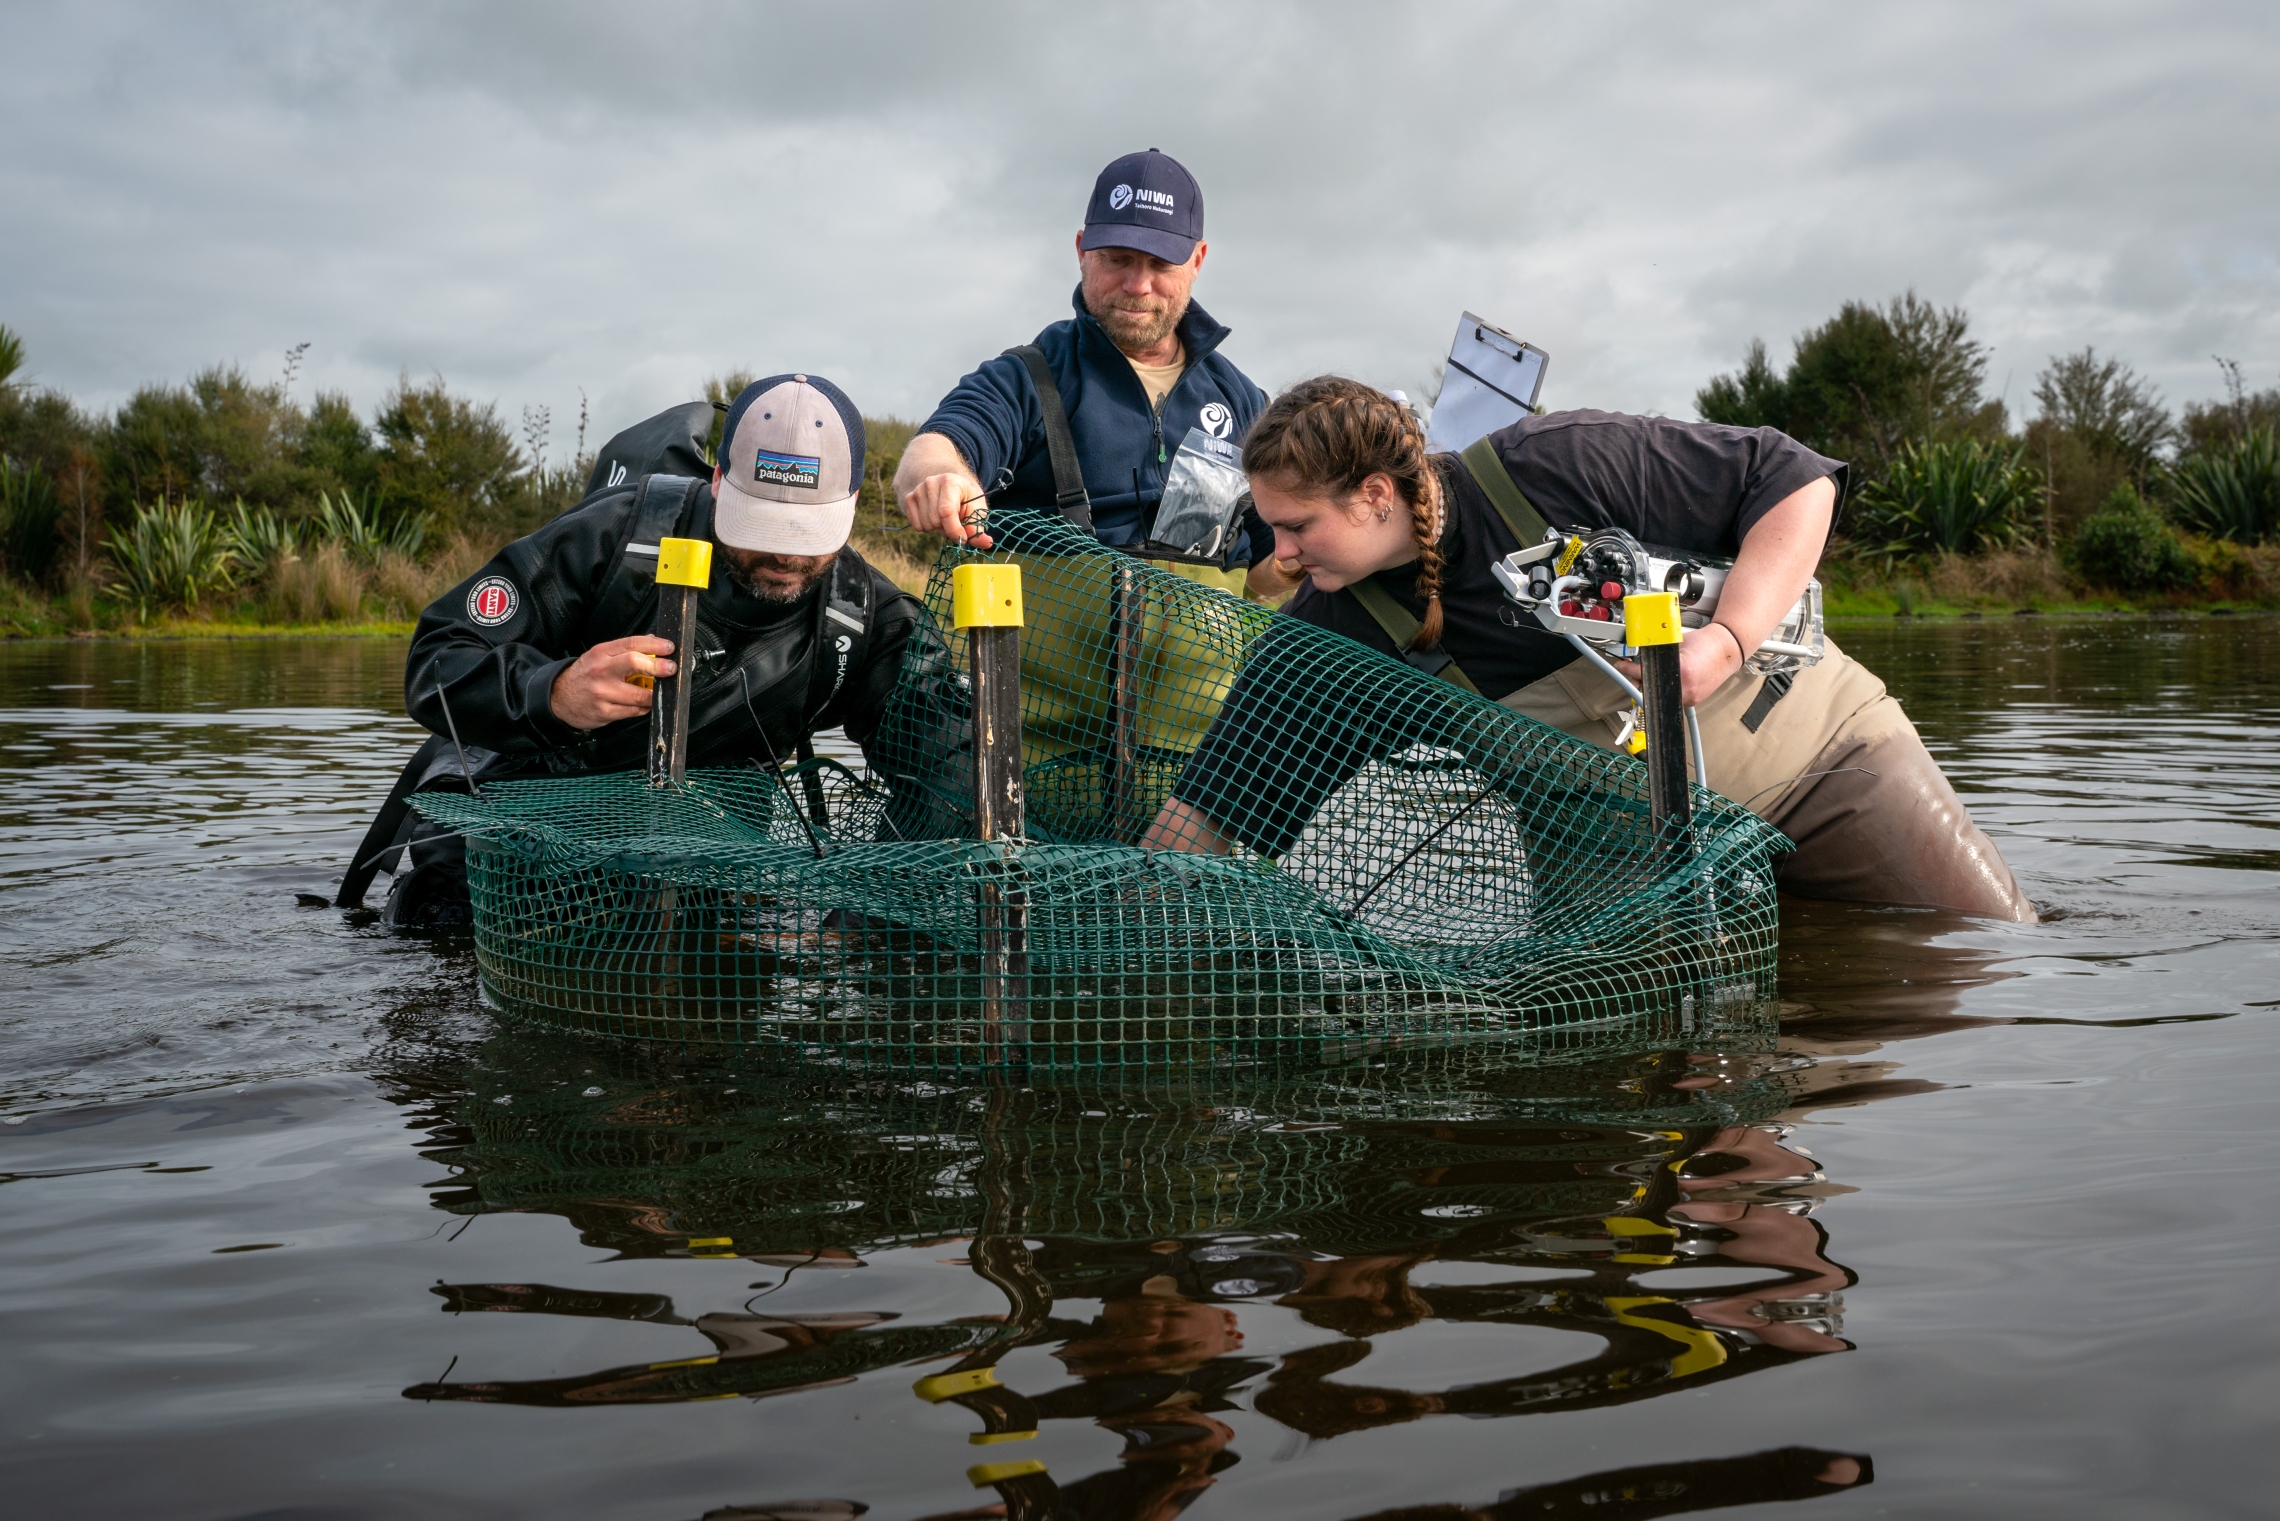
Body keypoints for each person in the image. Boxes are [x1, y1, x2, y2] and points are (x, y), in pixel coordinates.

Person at [1141, 376, 2035, 921]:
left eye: (1297, 527)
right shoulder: (1323, 642)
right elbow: (1205, 818)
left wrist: (1724, 641)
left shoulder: (1554, 462)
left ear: (1375, 494)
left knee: (1977, 962)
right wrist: (1118, 915)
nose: (1279, 555)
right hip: (1624, 874)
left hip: (1821, 760)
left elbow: (1794, 478)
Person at [342, 374, 931, 926]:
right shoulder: (611, 538)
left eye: (806, 533)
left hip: (701, 873)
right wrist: (553, 692)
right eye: (764, 527)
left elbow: (943, 773)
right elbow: (439, 659)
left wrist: (858, 922)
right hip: (508, 852)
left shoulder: (863, 619)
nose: (787, 558)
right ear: (720, 482)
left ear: (852, 503)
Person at [893, 147, 1284, 599]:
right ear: (1082, 250)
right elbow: (937, 447)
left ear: (1197, 260)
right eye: (1117, 259)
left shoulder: (1243, 402)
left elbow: (1265, 569)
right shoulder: (1027, 377)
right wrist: (942, 477)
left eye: (1161, 264)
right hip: (1032, 670)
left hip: (1210, 672)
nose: (1138, 285)